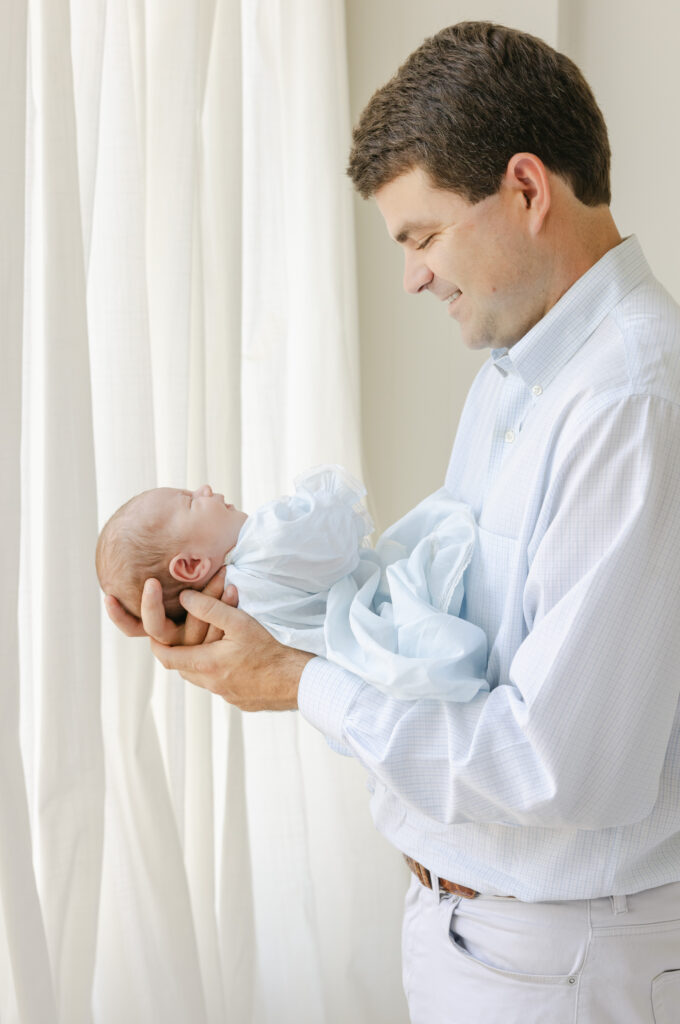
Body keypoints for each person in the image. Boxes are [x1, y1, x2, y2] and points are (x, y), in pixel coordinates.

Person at [106, 21, 680, 1023]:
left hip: (561, 961)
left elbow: (553, 768)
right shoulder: (516, 379)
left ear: (525, 190)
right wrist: (247, 620)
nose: (411, 275)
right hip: (472, 930)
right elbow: (433, 640)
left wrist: (296, 684)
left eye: (419, 235)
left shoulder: (630, 403)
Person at [97, 466, 488, 700]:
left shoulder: (233, 612)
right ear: (191, 564)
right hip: (382, 612)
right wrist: (306, 504)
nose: (204, 489)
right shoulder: (262, 547)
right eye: (189, 500)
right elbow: (336, 542)